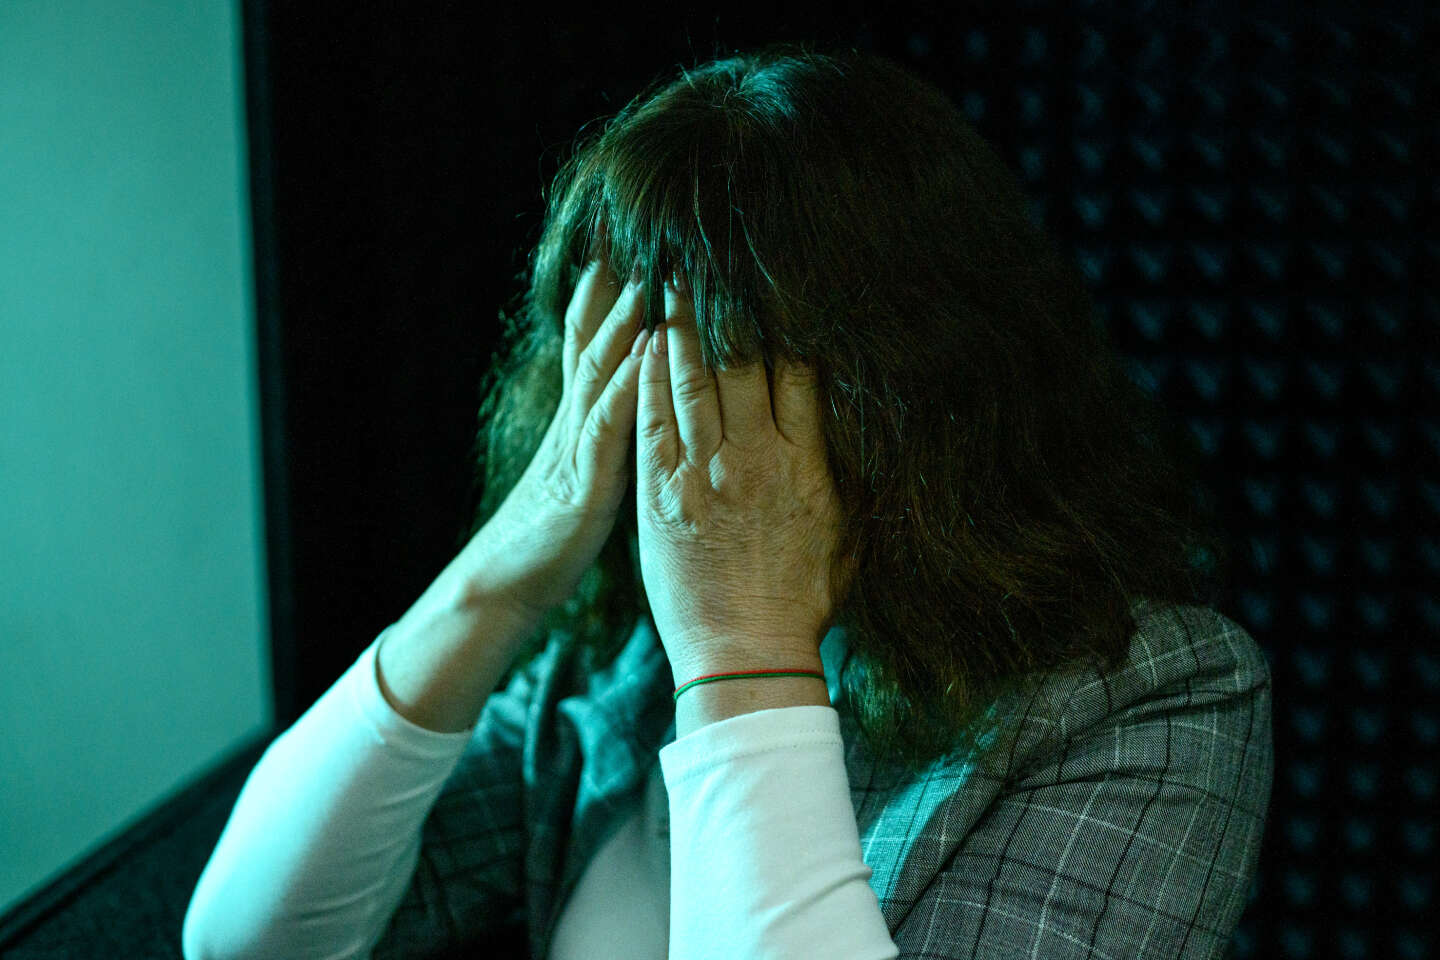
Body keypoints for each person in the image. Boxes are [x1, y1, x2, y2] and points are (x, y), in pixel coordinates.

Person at [182, 43, 1273, 960]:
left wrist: (744, 651)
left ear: (909, 380)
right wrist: (507, 564)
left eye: (732, 370)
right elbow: (250, 939)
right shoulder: (616, 669)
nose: (681, 432)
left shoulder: (1151, 699)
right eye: (637, 373)